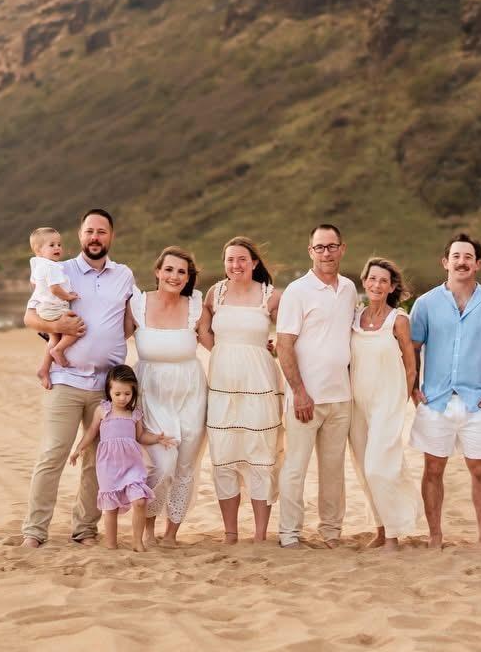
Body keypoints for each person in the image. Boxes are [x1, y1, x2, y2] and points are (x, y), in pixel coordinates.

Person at [21, 209, 136, 548]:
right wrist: (58, 328)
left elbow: (130, 321)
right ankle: (35, 530)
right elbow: (30, 317)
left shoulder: (124, 275)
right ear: (80, 235)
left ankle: (85, 529)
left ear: (111, 236)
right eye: (89, 231)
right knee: (53, 453)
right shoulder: (60, 269)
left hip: (107, 387)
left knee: (97, 460)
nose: (95, 237)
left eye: (102, 231)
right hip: (67, 381)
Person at [409, 232, 481, 550]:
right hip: (435, 400)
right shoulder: (425, 304)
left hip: (476, 401)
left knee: (480, 469)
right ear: (445, 262)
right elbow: (410, 349)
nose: (461, 262)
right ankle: (435, 536)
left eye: (468, 257)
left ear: (477, 264)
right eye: (456, 256)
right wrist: (412, 389)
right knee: (433, 469)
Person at [276, 224, 357, 549]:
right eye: (320, 247)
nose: (326, 253)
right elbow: (284, 345)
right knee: (296, 467)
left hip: (341, 397)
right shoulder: (297, 291)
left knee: (334, 471)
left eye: (331, 246)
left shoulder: (350, 289)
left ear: (341, 249)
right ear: (311, 251)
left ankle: (331, 532)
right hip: (305, 398)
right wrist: (299, 391)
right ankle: (289, 534)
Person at [203, 236, 283, 543]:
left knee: (259, 454)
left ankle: (260, 533)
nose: (235, 265)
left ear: (254, 263)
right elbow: (202, 330)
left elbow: (290, 336)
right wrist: (222, 352)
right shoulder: (215, 293)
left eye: (241, 259)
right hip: (222, 382)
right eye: (230, 260)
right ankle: (230, 532)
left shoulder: (271, 296)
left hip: (260, 382)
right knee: (224, 455)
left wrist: (271, 348)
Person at [129, 246, 210, 547]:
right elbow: (113, 335)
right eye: (169, 269)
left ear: (188, 277)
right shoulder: (137, 304)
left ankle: (171, 533)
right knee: (161, 465)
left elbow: (214, 342)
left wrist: (259, 348)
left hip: (191, 393)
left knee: (185, 465)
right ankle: (148, 526)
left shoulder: (195, 306)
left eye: (181, 271)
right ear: (157, 271)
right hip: (150, 393)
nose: (174, 276)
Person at [348, 257, 423, 551]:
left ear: (391, 286)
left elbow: (410, 365)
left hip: (387, 403)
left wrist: (400, 399)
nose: (377, 284)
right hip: (357, 402)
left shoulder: (399, 320)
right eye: (372, 279)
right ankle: (380, 530)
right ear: (365, 282)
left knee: (381, 466)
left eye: (383, 280)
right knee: (364, 468)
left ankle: (393, 534)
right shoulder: (354, 317)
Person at [70, 365, 177, 552]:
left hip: (132, 465)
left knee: (140, 501)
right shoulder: (103, 411)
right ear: (109, 391)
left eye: (127, 393)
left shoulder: (134, 414)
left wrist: (157, 439)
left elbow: (140, 437)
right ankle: (111, 544)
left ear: (133, 392)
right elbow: (91, 433)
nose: (122, 398)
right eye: (117, 393)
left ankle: (137, 542)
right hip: (108, 467)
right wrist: (79, 449)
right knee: (110, 507)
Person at [26, 227, 80, 388]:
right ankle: (59, 351)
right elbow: (55, 289)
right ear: (38, 249)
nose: (57, 248)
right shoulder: (52, 267)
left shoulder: (37, 264)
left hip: (44, 308)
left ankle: (44, 369)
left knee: (54, 338)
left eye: (59, 244)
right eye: (52, 245)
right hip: (54, 308)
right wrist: (69, 296)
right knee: (77, 327)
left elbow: (34, 285)